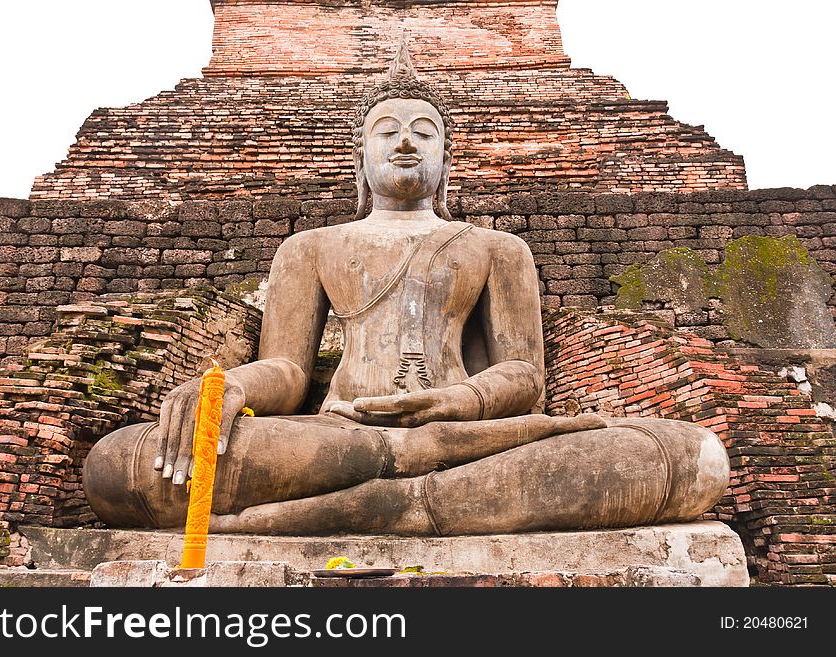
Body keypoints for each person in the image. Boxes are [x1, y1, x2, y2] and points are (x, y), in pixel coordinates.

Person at [84, 44, 729, 536]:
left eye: (423, 131)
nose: (403, 140)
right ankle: (418, 500)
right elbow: (288, 370)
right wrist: (230, 388)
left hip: (466, 437)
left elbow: (525, 376)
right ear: (358, 159)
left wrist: (458, 401)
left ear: (447, 160)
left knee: (687, 456)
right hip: (339, 438)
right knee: (118, 465)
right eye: (386, 129)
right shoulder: (309, 248)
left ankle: (378, 505)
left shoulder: (498, 250)